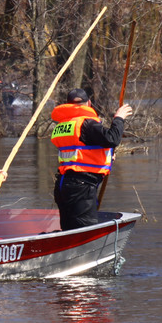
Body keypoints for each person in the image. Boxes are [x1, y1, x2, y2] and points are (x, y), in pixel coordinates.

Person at [50, 88, 133, 231]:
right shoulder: (87, 124)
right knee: (83, 232)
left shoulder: (63, 125)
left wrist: (107, 155)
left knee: (69, 230)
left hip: (64, 184)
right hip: (81, 186)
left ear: (68, 104)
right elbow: (112, 138)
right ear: (89, 103)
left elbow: (82, 149)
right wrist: (119, 118)